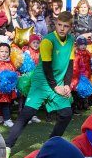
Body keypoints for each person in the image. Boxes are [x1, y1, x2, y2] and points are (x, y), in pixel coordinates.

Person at [4, 11, 75, 150]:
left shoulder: (71, 40)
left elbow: (70, 64)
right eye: (59, 25)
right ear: (55, 24)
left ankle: (51, 144)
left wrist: (67, 85)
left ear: (70, 27)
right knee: (27, 113)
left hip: (58, 82)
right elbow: (47, 67)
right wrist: (56, 87)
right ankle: (7, 146)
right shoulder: (48, 40)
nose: (61, 28)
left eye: (65, 26)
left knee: (66, 113)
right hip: (42, 82)